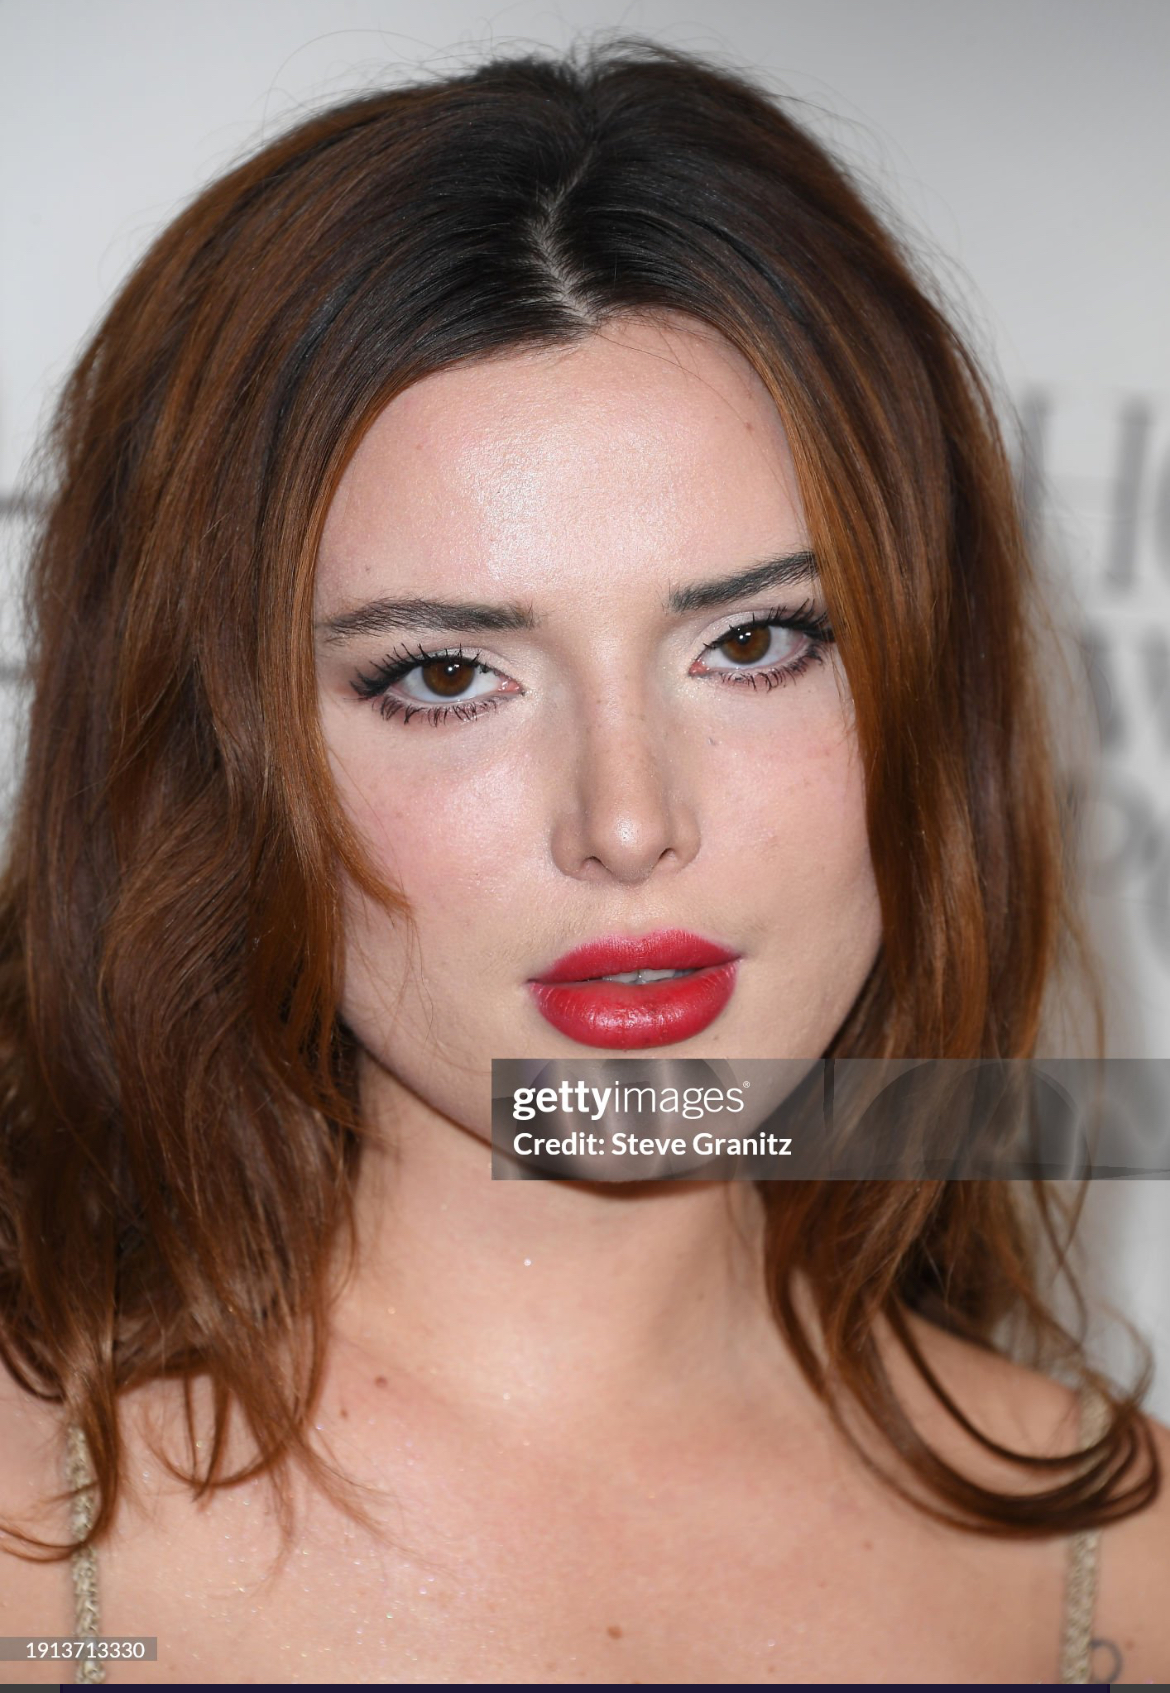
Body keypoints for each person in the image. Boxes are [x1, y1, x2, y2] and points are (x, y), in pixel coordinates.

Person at [0, 38, 1166, 1687]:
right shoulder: (30, 1541)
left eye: (755, 642)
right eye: (444, 674)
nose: (626, 820)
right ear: (214, 759)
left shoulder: (1123, 1575)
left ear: (930, 686)